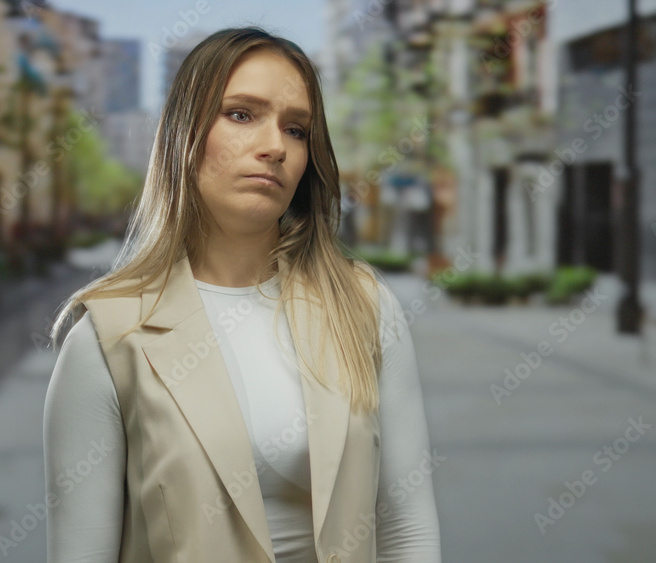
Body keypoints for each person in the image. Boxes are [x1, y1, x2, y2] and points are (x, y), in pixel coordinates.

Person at [43, 27, 441, 563]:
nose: (275, 146)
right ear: (184, 133)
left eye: (296, 129)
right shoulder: (109, 339)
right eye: (241, 114)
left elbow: (408, 530)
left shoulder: (366, 308)